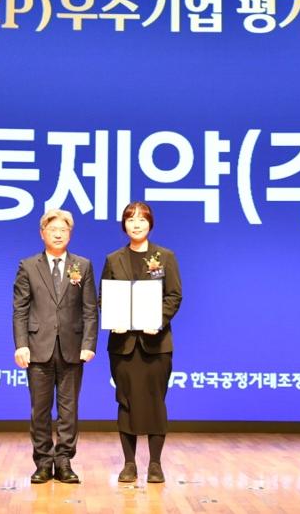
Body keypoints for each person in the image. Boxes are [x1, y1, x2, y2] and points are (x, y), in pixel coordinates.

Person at [12, 209, 98, 484]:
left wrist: (89, 343)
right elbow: (20, 309)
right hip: (38, 347)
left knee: (68, 410)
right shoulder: (28, 266)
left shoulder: (82, 265)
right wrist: (21, 344)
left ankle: (63, 462)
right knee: (40, 410)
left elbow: (90, 309)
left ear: (70, 234)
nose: (58, 234)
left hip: (72, 348)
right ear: (42, 234)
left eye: (63, 230)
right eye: (53, 230)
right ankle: (43, 462)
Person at [101, 201, 182, 484]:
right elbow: (103, 297)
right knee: (125, 402)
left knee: (155, 402)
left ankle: (155, 464)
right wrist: (114, 318)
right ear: (124, 225)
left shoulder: (165, 257)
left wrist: (157, 320)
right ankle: (129, 464)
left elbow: (174, 295)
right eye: (130, 219)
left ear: (150, 224)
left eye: (141, 219)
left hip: (156, 345)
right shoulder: (114, 259)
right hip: (123, 345)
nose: (136, 224)